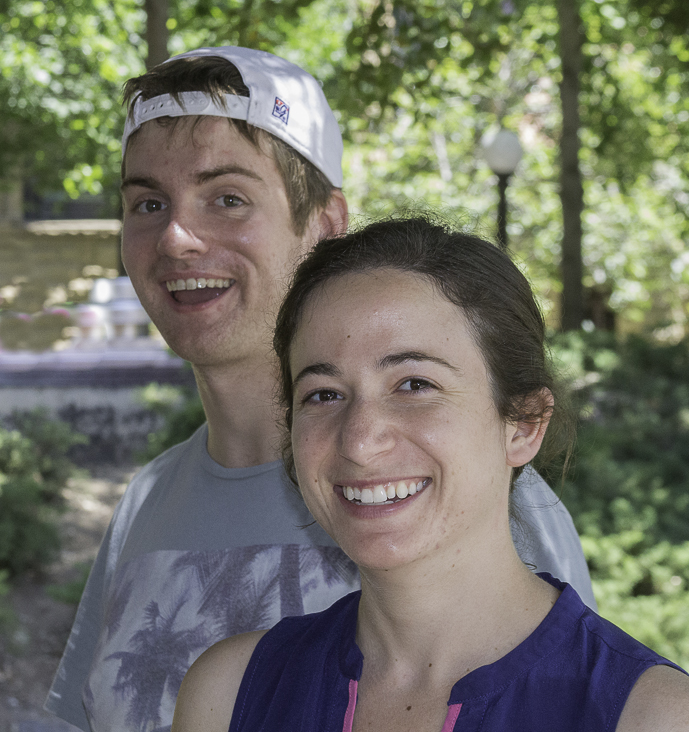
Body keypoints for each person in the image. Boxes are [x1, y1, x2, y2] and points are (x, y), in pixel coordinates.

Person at [46, 48, 595, 732]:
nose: (177, 237)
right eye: (148, 204)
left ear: (327, 224)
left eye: (228, 199)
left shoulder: (457, 493)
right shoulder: (147, 501)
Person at [172, 217, 689, 732]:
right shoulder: (229, 696)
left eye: (415, 385)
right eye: (324, 394)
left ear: (524, 424)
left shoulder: (659, 718)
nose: (359, 441)